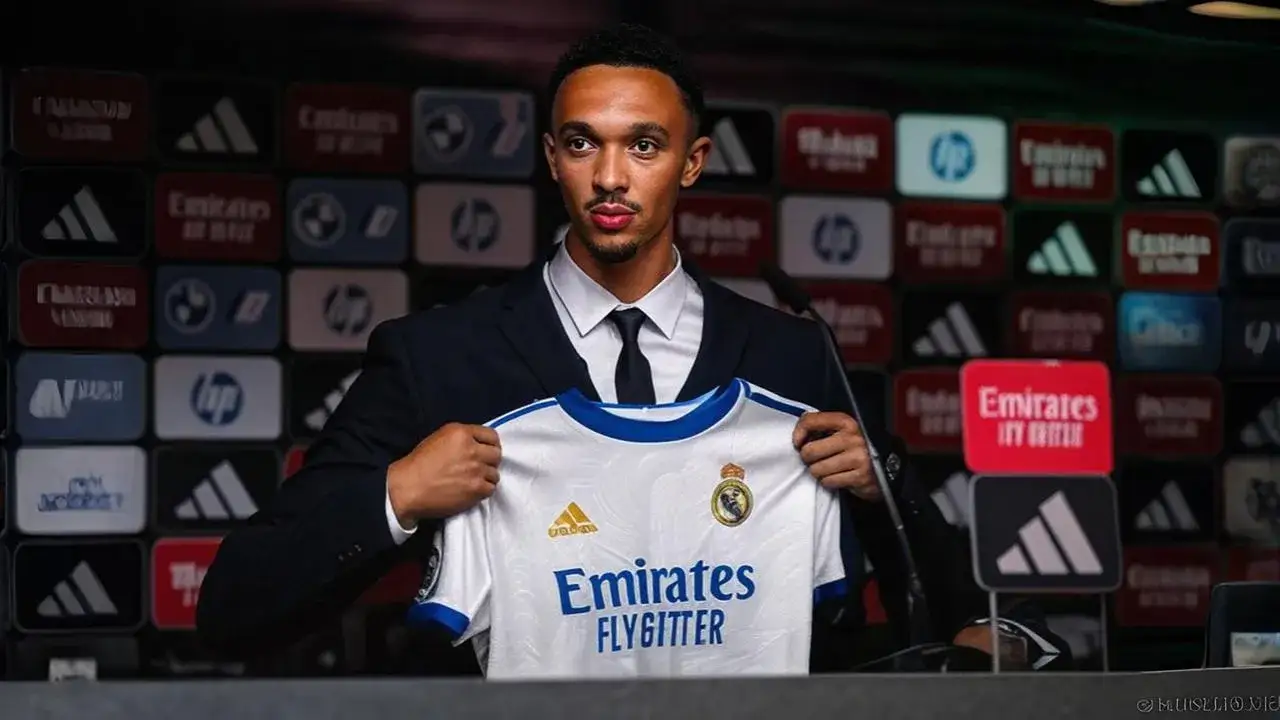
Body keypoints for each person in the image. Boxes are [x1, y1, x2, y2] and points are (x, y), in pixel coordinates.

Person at [197, 23, 1066, 672]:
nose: (610, 177)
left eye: (643, 145)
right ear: (551, 157)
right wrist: (397, 495)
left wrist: (885, 492)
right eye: (583, 143)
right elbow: (235, 609)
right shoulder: (437, 357)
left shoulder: (794, 360)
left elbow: (974, 617)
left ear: (692, 163)